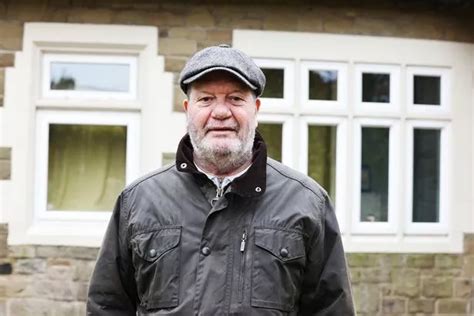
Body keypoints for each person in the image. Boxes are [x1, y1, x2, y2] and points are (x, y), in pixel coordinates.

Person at [87, 44, 355, 315]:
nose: (221, 112)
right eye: (206, 99)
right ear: (187, 109)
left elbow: (332, 309)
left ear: (256, 109)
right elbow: (107, 306)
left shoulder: (307, 203)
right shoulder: (138, 201)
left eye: (236, 98)